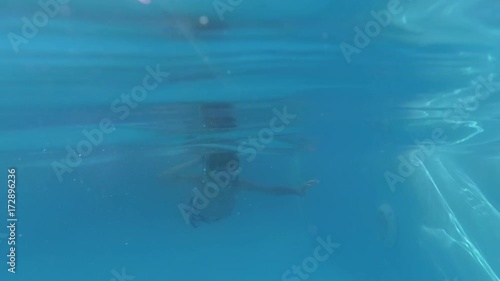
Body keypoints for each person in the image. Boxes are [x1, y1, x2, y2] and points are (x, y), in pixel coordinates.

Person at [161, 150, 319, 227]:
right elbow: (165, 177)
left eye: (231, 172)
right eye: (220, 173)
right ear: (210, 173)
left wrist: (297, 191)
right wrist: (196, 160)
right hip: (200, 217)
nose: (226, 178)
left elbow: (271, 191)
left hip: (220, 218)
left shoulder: (238, 185)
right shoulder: (201, 182)